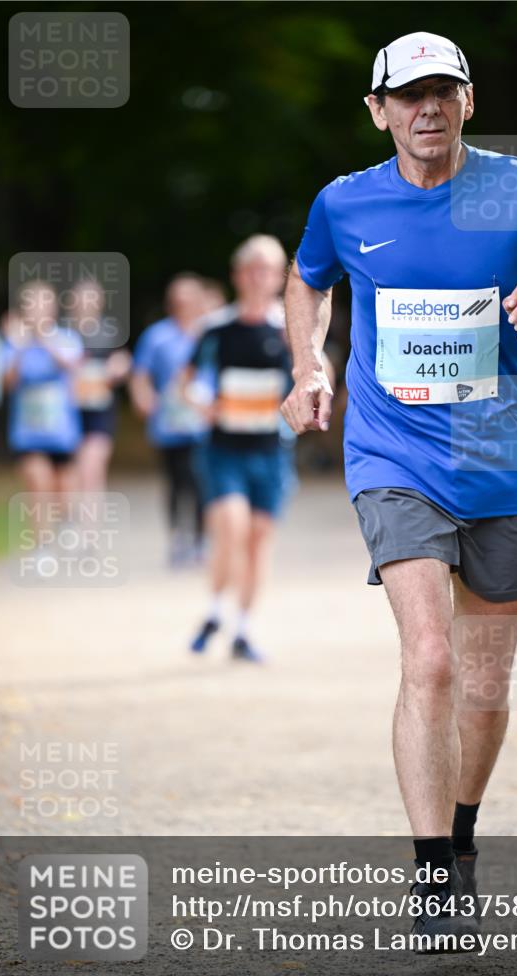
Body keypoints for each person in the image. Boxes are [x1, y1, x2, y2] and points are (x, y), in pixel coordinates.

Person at [282, 30, 517, 946]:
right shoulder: (343, 203)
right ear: (377, 110)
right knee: (429, 657)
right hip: (392, 457)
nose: (426, 108)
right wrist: (310, 364)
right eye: (407, 95)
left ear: (466, 103)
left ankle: (460, 833)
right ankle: (431, 879)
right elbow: (310, 285)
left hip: (499, 461)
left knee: (485, 688)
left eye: (442, 92)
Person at [183, 236, 292, 663]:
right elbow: (189, 378)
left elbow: (318, 370)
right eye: (253, 268)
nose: (260, 277)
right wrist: (201, 402)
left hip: (271, 449)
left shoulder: (289, 326)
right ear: (238, 275)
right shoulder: (216, 327)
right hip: (223, 447)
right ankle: (214, 609)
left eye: (270, 269)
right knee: (233, 527)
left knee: (258, 540)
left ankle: (243, 629)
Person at [130, 273, 224, 566]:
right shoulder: (157, 336)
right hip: (169, 421)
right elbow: (140, 373)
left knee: (200, 479)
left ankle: (199, 538)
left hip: (202, 419)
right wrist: (142, 397)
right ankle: (176, 537)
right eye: (179, 299)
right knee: (176, 480)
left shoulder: (210, 333)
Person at [1, 281, 83, 552]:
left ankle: (67, 522)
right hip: (28, 431)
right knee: (38, 483)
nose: (36, 310)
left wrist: (42, 337)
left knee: (62, 491)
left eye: (42, 303)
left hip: (62, 431)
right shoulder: (15, 342)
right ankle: (42, 546)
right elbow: (8, 383)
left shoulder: (66, 337)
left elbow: (72, 365)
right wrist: (21, 346)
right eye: (31, 304)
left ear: (52, 307)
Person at [68, 278, 131, 493]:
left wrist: (119, 367)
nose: (86, 304)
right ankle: (70, 518)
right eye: (82, 298)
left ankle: (90, 522)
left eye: (91, 299)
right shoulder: (61, 333)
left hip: (100, 409)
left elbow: (123, 360)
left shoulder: (110, 332)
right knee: (71, 470)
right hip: (67, 411)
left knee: (92, 465)